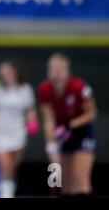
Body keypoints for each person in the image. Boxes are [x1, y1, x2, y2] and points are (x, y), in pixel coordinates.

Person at [38, 53, 97, 197]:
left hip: (81, 133)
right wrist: (50, 145)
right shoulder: (44, 89)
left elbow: (91, 113)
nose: (56, 74)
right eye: (52, 70)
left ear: (67, 71)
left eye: (59, 70)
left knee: (80, 179)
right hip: (62, 135)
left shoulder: (79, 86)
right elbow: (48, 120)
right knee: (63, 183)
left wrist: (71, 124)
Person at [0, 61, 39, 198]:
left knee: (10, 169)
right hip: (0, 134)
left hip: (18, 133)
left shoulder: (25, 90)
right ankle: (5, 194)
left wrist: (32, 122)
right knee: (5, 167)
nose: (6, 75)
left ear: (15, 73)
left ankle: (5, 191)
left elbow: (30, 111)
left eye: (9, 72)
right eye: (3, 73)